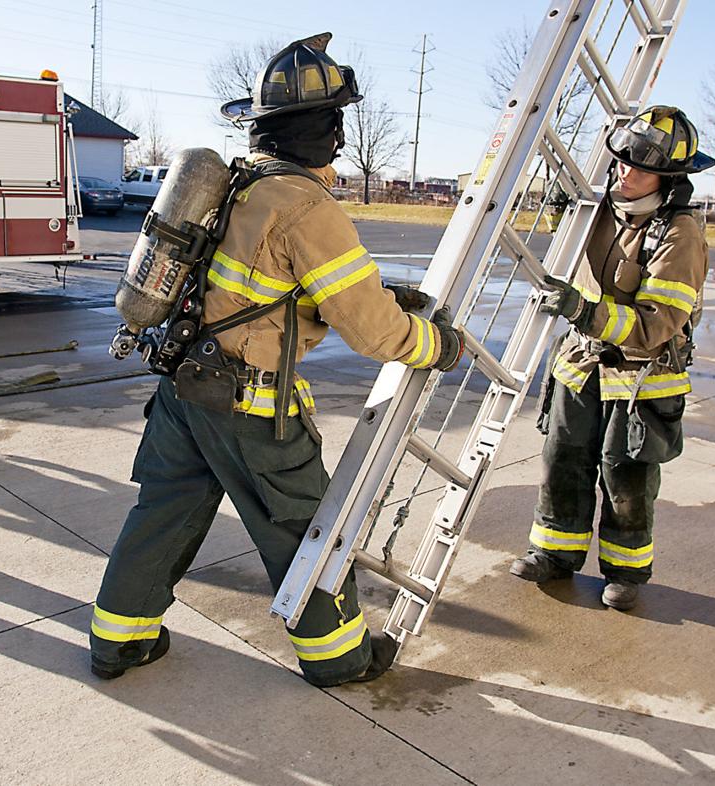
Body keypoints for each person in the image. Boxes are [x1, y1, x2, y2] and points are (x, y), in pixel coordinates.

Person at [89, 34, 465, 686]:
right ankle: (338, 658)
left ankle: (116, 642)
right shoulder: (305, 206)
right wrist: (437, 346)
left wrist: (376, 293)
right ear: (327, 129)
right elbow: (376, 334)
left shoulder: (237, 184)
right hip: (248, 406)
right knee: (302, 529)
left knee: (164, 515)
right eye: (336, 122)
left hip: (181, 391)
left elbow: (265, 285)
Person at [510, 106, 715, 610]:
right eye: (622, 162)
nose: (626, 173)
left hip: (642, 378)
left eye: (641, 168)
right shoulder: (597, 207)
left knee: (626, 475)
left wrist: (584, 311)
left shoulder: (680, 233)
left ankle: (625, 571)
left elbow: (655, 324)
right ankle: (554, 553)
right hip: (580, 365)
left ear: (668, 178)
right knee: (563, 459)